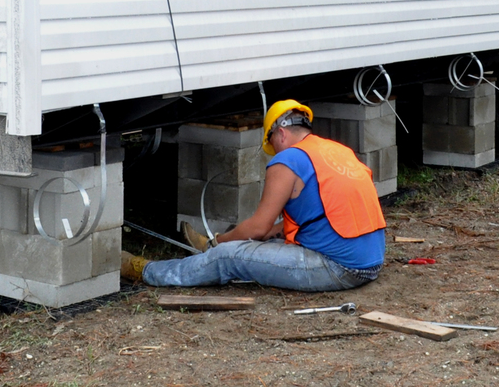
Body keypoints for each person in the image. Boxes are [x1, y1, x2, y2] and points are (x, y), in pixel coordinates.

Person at [122, 100, 387, 291]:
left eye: (271, 145)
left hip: (340, 269)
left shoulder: (289, 159)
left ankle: (146, 270)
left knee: (227, 257)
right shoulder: (336, 151)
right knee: (261, 247)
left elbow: (258, 228)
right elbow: (325, 213)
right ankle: (208, 248)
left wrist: (219, 243)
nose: (273, 152)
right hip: (370, 262)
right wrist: (271, 233)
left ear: (280, 133)